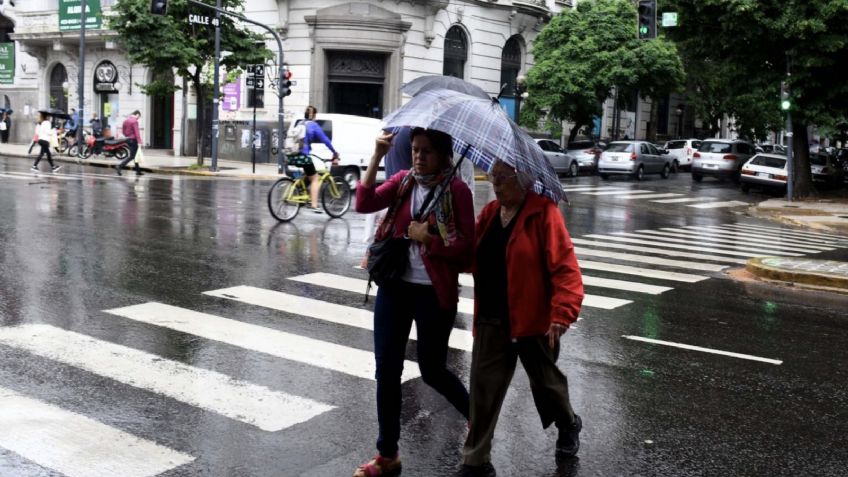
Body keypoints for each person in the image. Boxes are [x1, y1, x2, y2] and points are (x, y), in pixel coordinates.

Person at [353, 128, 475, 477]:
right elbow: (364, 202)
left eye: (427, 152)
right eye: (415, 150)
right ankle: (387, 455)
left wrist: (430, 237)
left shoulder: (457, 191)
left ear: (444, 156)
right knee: (387, 371)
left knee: (433, 369)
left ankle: (476, 417)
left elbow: (466, 251)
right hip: (395, 288)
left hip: (433, 293)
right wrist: (377, 156)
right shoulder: (403, 182)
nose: (419, 157)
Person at [458, 160, 584, 477]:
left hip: (533, 323)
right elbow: (470, 257)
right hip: (491, 320)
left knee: (547, 386)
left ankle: (569, 422)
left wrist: (563, 313)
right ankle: (476, 461)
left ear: (523, 178)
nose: (496, 184)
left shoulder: (543, 212)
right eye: (493, 177)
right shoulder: (489, 215)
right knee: (483, 393)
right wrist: (437, 236)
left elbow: (565, 267)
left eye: (503, 178)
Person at [360, 126, 413, 268]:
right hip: (404, 201)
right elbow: (363, 202)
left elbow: (363, 203)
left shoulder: (394, 130)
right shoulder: (412, 133)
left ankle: (372, 255)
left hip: (393, 199)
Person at [291, 105, 339, 212]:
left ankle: (301, 193)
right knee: (315, 178)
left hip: (293, 154)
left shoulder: (300, 123)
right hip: (303, 156)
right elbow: (326, 140)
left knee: (308, 174)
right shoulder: (313, 125)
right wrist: (334, 152)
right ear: (313, 115)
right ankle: (314, 205)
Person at [117, 110, 143, 176]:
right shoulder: (134, 121)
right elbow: (137, 132)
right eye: (139, 116)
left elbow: (123, 131)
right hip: (133, 140)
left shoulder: (126, 121)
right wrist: (139, 141)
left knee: (135, 155)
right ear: (137, 114)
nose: (138, 118)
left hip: (128, 139)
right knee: (132, 156)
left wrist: (127, 136)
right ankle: (120, 166)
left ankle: (138, 171)